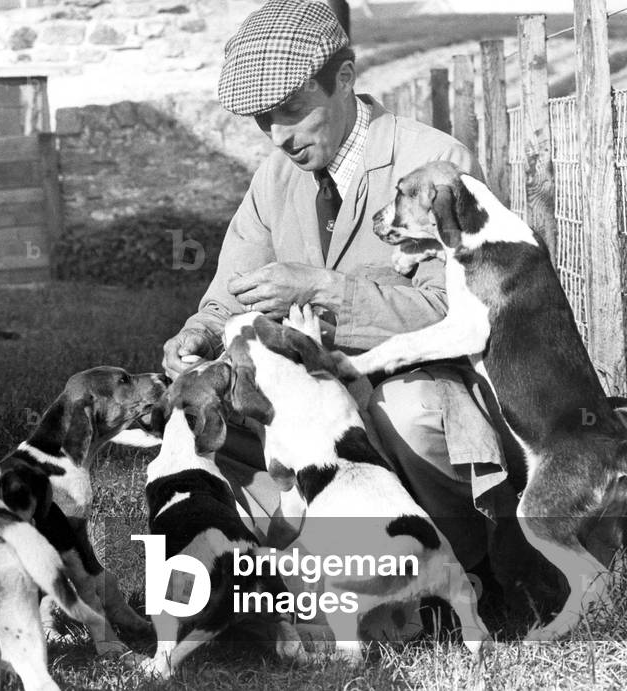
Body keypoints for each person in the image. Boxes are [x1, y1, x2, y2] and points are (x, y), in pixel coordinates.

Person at [161, 0, 557, 627]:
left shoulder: (433, 162)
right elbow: (228, 291)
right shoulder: (274, 178)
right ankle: (295, 578)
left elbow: (451, 311)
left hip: (415, 378)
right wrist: (200, 331)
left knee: (410, 413)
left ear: (344, 78)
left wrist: (323, 287)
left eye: (291, 111)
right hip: (309, 395)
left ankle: (466, 577)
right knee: (193, 417)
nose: (280, 136)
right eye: (264, 120)